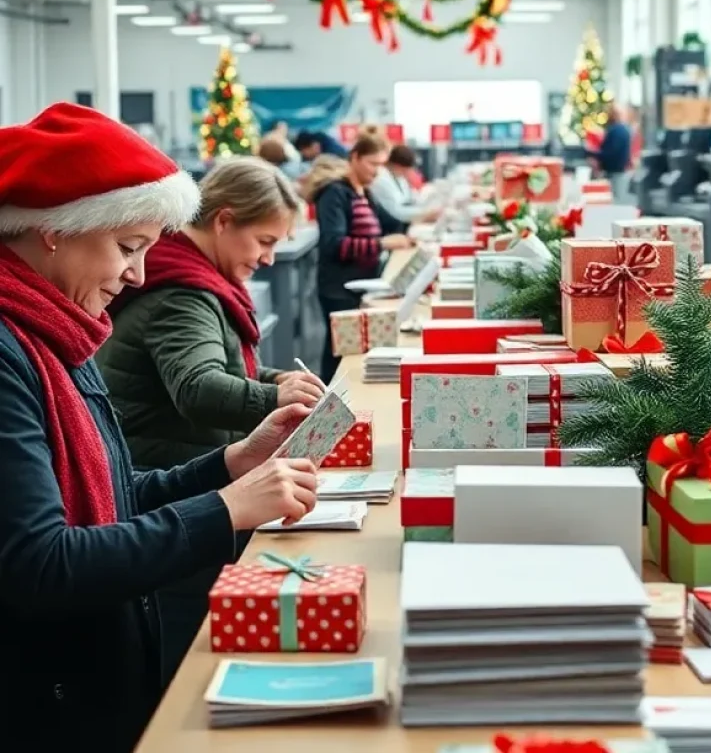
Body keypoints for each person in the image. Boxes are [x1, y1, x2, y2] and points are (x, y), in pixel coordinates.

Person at [0, 103, 319, 751]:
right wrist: (223, 509)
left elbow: (117, 499)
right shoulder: (14, 357)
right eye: (127, 247)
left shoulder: (60, 338)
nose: (138, 274)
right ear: (56, 230)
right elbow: (42, 566)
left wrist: (226, 467)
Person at [96, 157, 325, 675]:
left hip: (172, 473)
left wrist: (273, 380)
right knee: (189, 655)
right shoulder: (184, 293)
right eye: (264, 241)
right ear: (223, 221)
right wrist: (275, 401)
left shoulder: (192, 278)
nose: (269, 258)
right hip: (167, 481)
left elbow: (215, 363)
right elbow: (198, 388)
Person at [311, 134, 411, 380]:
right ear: (354, 157)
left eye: (381, 165)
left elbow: (391, 223)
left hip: (362, 285)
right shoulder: (335, 194)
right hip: (339, 287)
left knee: (349, 352)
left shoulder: (364, 193)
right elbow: (333, 244)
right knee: (339, 352)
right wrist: (380, 244)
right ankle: (325, 401)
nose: (378, 172)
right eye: (372, 164)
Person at [369, 143, 441, 226]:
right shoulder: (381, 179)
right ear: (397, 166)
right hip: (390, 225)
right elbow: (396, 212)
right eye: (406, 170)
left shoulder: (399, 177)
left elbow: (411, 199)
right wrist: (424, 214)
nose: (408, 173)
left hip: (401, 222)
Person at [595, 104, 633, 203]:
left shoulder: (615, 131)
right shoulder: (625, 130)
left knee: (613, 200)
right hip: (621, 170)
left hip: (613, 171)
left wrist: (593, 153)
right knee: (619, 198)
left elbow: (610, 152)